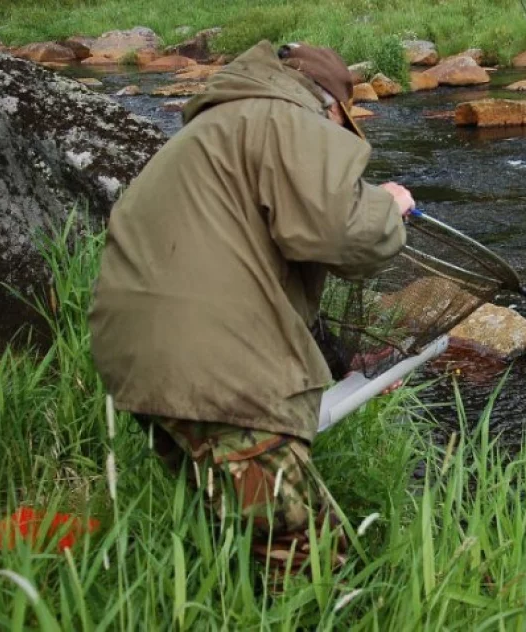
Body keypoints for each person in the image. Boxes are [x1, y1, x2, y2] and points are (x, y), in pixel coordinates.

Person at [89, 40, 415, 578]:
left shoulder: (217, 126)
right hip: (215, 367)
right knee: (299, 545)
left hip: (140, 359)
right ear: (330, 106)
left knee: (229, 530)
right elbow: (340, 231)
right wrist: (389, 208)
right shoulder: (288, 118)